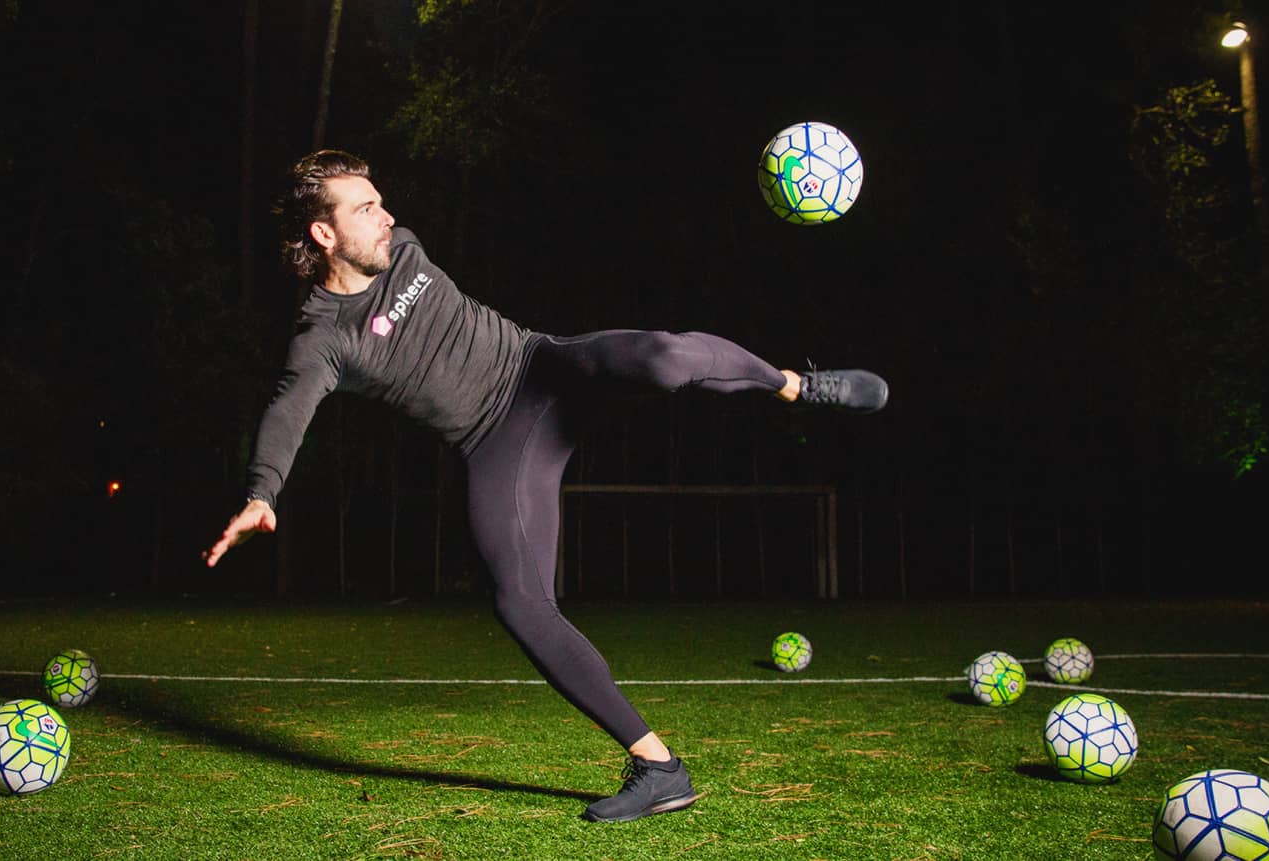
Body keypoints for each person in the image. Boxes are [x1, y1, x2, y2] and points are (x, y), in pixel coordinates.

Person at [203, 149, 888, 823]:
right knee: (520, 603)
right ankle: (659, 768)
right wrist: (263, 492)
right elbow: (289, 406)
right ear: (323, 234)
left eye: (381, 202)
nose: (387, 216)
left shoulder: (404, 246)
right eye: (365, 208)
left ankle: (798, 386)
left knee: (663, 356)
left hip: (543, 370)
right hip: (496, 445)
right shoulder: (323, 338)